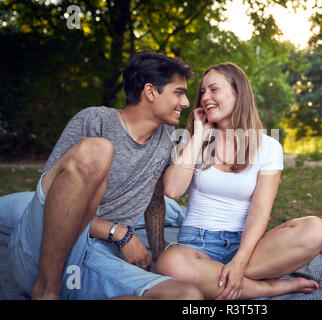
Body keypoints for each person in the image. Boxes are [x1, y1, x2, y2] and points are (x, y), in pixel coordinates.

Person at [7, 51, 204, 300]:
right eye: (179, 92)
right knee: (99, 150)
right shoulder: (96, 119)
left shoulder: (165, 139)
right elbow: (53, 198)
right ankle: (47, 292)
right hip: (40, 251)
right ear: (151, 91)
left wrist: (158, 253)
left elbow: (154, 199)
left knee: (187, 296)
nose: (186, 103)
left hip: (93, 262)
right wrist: (119, 233)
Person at [156, 62, 322, 300]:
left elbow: (259, 212)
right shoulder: (194, 140)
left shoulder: (268, 147)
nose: (206, 97)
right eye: (203, 92)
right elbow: (173, 189)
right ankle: (268, 287)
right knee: (171, 263)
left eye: (214, 89)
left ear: (238, 93)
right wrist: (199, 135)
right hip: (197, 245)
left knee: (315, 229)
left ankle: (222, 279)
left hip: (248, 247)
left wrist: (239, 261)